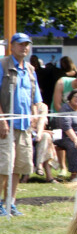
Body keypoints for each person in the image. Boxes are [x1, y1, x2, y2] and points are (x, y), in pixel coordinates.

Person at [0, 33, 45, 216]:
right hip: (6, 124)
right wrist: (2, 119)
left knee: (20, 166)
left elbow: (36, 99)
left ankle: (10, 202)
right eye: (20, 45)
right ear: (12, 46)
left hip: (25, 125)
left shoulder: (30, 69)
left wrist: (36, 116)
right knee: (4, 165)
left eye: (27, 45)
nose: (24, 48)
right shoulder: (2, 65)